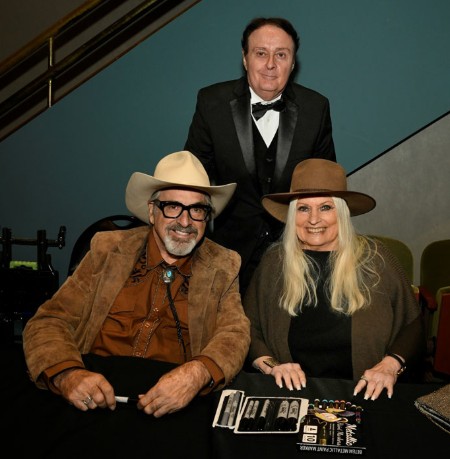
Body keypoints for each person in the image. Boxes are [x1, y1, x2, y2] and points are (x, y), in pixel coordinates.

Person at [22, 150, 251, 417]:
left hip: (170, 404)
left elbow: (234, 334)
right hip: (93, 395)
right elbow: (49, 321)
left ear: (206, 217)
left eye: (197, 209)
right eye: (173, 207)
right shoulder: (107, 249)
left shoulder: (223, 264)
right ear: (152, 211)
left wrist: (196, 374)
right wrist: (68, 374)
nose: (185, 221)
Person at [243, 158, 426, 401]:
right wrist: (272, 365)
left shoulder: (376, 259)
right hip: (291, 397)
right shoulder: (274, 262)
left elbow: (413, 324)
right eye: (303, 208)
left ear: (341, 212)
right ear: (292, 214)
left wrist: (390, 365)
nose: (314, 219)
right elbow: (246, 328)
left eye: (325, 207)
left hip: (365, 396)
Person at [185, 17, 336, 295]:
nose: (270, 64)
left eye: (281, 55)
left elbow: (326, 189)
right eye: (261, 53)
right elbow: (191, 181)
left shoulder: (316, 108)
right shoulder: (211, 102)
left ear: (293, 63)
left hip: (295, 257)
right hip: (228, 256)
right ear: (245, 59)